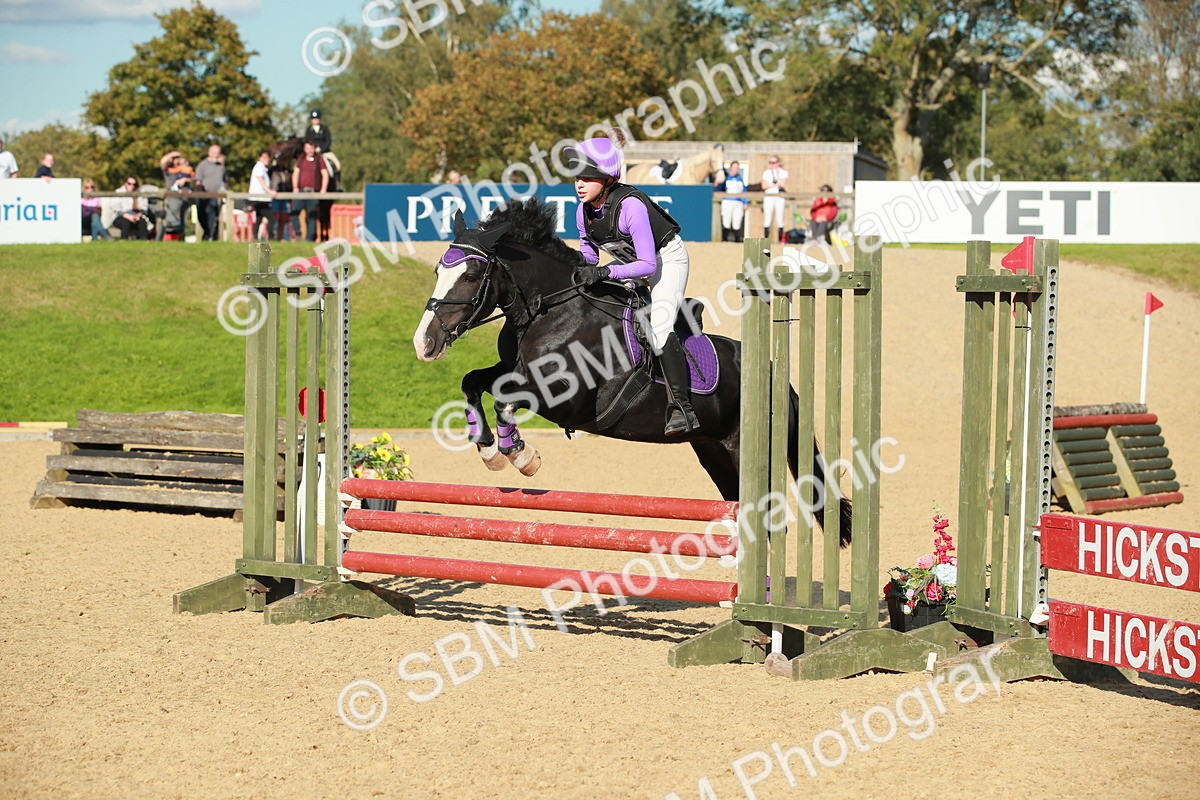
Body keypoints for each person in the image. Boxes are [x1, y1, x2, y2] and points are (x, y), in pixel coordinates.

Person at [565, 136, 699, 436]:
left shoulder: (631, 206)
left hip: (665, 262)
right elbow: (589, 256)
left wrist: (606, 273)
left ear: (608, 178)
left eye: (588, 177)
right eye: (577, 177)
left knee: (660, 326)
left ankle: (682, 408)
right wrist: (572, 264)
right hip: (631, 265)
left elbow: (648, 265)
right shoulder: (582, 212)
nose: (579, 184)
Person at [291, 140, 328, 242]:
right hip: (301, 191)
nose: (309, 150)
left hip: (313, 192)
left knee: (311, 215)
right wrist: (295, 187)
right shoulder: (301, 159)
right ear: (304, 149)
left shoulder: (319, 159)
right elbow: (296, 173)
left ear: (314, 148)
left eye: (311, 148)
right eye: (307, 148)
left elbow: (325, 174)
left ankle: (309, 239)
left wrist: (323, 189)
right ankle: (298, 234)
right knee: (294, 212)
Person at [194, 144, 227, 241]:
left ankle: (211, 237)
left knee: (213, 216)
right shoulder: (202, 165)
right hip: (204, 195)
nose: (216, 155)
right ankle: (207, 236)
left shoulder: (221, 167)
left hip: (216, 196)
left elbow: (225, 181)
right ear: (209, 153)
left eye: (218, 153)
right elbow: (198, 181)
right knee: (203, 216)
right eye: (214, 153)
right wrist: (201, 194)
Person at [714, 161, 747, 242]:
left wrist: (745, 202)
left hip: (738, 202)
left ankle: (737, 240)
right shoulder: (726, 178)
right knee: (726, 221)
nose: (736, 169)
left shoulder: (740, 179)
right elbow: (718, 189)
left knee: (737, 221)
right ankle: (725, 240)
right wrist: (717, 183)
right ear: (730, 168)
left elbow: (744, 192)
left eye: (737, 168)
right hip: (727, 201)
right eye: (734, 167)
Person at [247, 150, 275, 240]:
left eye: (268, 157)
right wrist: (269, 191)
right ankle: (271, 237)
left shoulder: (262, 168)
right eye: (264, 157)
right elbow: (260, 179)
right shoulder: (259, 167)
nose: (267, 159)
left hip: (261, 198)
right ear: (260, 158)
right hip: (260, 198)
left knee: (259, 218)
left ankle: (254, 237)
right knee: (271, 218)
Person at [761, 155, 788, 243]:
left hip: (779, 197)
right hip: (769, 197)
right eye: (770, 162)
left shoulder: (783, 172)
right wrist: (775, 184)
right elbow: (764, 186)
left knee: (780, 219)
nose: (772, 165)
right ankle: (766, 240)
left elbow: (783, 184)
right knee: (767, 219)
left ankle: (780, 241)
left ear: (778, 163)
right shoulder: (766, 173)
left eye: (774, 162)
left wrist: (773, 182)